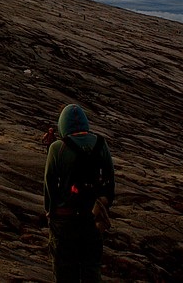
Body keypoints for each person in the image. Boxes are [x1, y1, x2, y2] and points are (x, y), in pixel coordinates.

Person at [43, 104, 115, 282]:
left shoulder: (57, 148)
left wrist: (50, 211)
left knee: (65, 270)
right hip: (92, 217)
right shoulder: (100, 143)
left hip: (64, 220)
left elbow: (49, 184)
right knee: (91, 268)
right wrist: (104, 203)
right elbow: (110, 180)